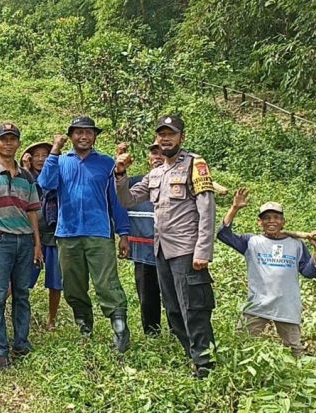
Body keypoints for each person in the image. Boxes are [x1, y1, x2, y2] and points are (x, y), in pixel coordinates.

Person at [115, 115, 217, 379]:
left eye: (171, 134)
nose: (165, 139)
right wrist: (121, 173)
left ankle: (205, 363)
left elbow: (207, 210)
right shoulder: (156, 173)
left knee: (193, 307)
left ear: (181, 137)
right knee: (172, 308)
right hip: (161, 250)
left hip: (186, 250)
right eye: (161, 134)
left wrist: (202, 251)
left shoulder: (195, 165)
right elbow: (128, 199)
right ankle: (192, 354)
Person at [37, 116, 132, 353]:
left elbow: (116, 201)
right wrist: (54, 151)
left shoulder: (106, 164)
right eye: (78, 132)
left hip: (99, 233)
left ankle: (120, 329)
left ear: (95, 136)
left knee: (106, 282)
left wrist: (124, 232)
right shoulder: (60, 162)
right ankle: (84, 326)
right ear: (70, 136)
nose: (84, 137)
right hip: (67, 233)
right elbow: (45, 183)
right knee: (73, 284)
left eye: (89, 132)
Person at [217, 189, 316, 356]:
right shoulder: (251, 242)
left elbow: (310, 273)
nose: (271, 221)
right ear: (260, 223)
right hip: (258, 304)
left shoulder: (296, 245)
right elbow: (223, 234)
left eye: (276, 218)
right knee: (241, 343)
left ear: (283, 222)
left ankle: (296, 378)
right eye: (266, 218)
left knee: (294, 349)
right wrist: (235, 207)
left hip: (287, 306)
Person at [0, 122, 43, 369]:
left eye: (13, 139)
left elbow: (33, 212)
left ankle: (21, 343)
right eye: (4, 139)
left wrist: (37, 244)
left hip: (24, 241)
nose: (9, 143)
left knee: (22, 294)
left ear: (18, 143)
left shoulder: (27, 177)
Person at [122, 141, 164, 336]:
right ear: (149, 158)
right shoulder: (138, 183)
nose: (158, 156)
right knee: (147, 297)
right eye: (154, 153)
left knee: (175, 296)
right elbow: (118, 196)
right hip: (143, 251)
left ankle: (179, 333)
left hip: (173, 251)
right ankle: (152, 334)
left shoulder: (180, 182)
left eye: (162, 153)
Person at [21, 141, 63, 331]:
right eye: (36, 155)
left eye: (44, 155)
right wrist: (24, 168)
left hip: (54, 235)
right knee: (23, 279)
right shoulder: (24, 176)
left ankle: (51, 320)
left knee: (55, 281)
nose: (40, 159)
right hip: (31, 236)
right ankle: (19, 315)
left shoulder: (57, 176)